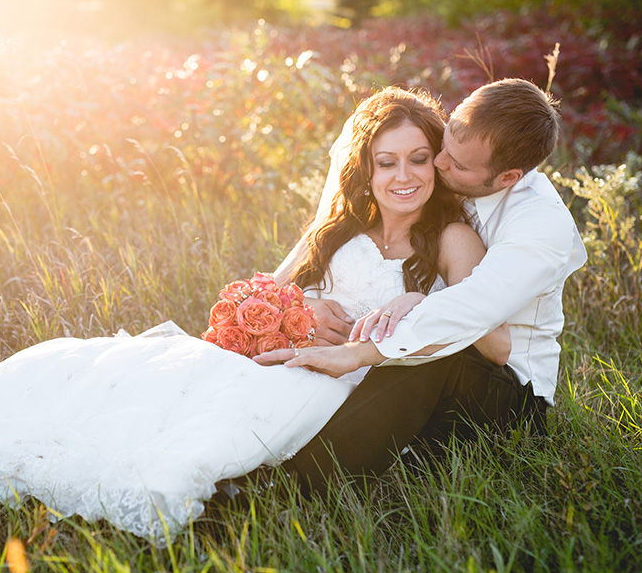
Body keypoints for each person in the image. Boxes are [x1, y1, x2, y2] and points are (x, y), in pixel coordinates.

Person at [0, 86, 504, 542]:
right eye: (386, 161)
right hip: (290, 359)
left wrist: (424, 300)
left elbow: (480, 324)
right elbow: (261, 296)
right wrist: (305, 307)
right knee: (126, 379)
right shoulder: (336, 230)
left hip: (357, 382)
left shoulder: (450, 238)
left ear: (437, 162)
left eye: (418, 158)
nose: (403, 175)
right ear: (364, 168)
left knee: (212, 432)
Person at [251, 78, 588, 496]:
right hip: (424, 363)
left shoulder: (539, 228)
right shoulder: (437, 170)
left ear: (507, 177)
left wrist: (364, 346)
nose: (441, 165)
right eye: (444, 145)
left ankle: (295, 488)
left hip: (507, 390)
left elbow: (485, 332)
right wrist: (301, 312)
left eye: (454, 165)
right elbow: (270, 286)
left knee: (431, 355)